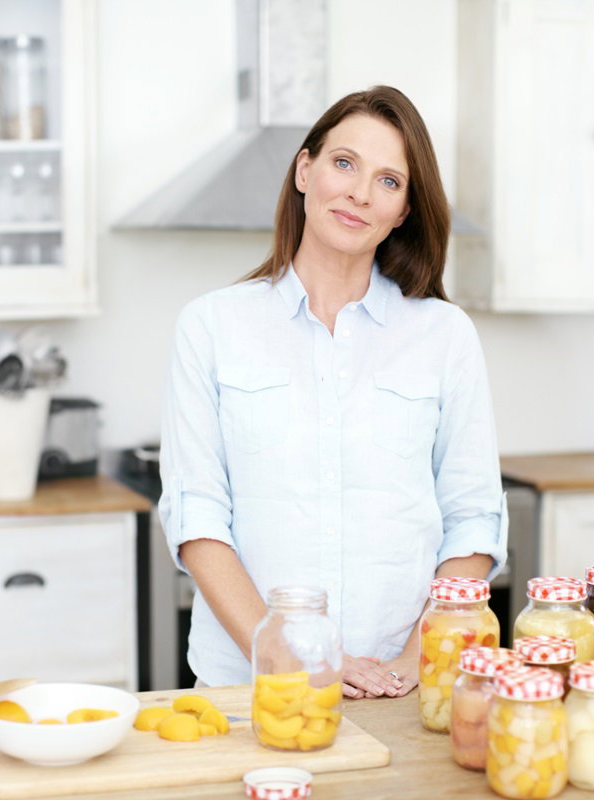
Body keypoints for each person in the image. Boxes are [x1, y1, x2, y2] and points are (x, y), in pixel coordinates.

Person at [159, 86, 506, 699]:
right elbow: (197, 519)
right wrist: (289, 653)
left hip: (400, 687)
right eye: (344, 163)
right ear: (304, 169)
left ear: (403, 211)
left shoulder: (444, 335)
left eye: (389, 181)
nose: (360, 193)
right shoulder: (211, 326)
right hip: (248, 690)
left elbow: (473, 520)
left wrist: (413, 659)